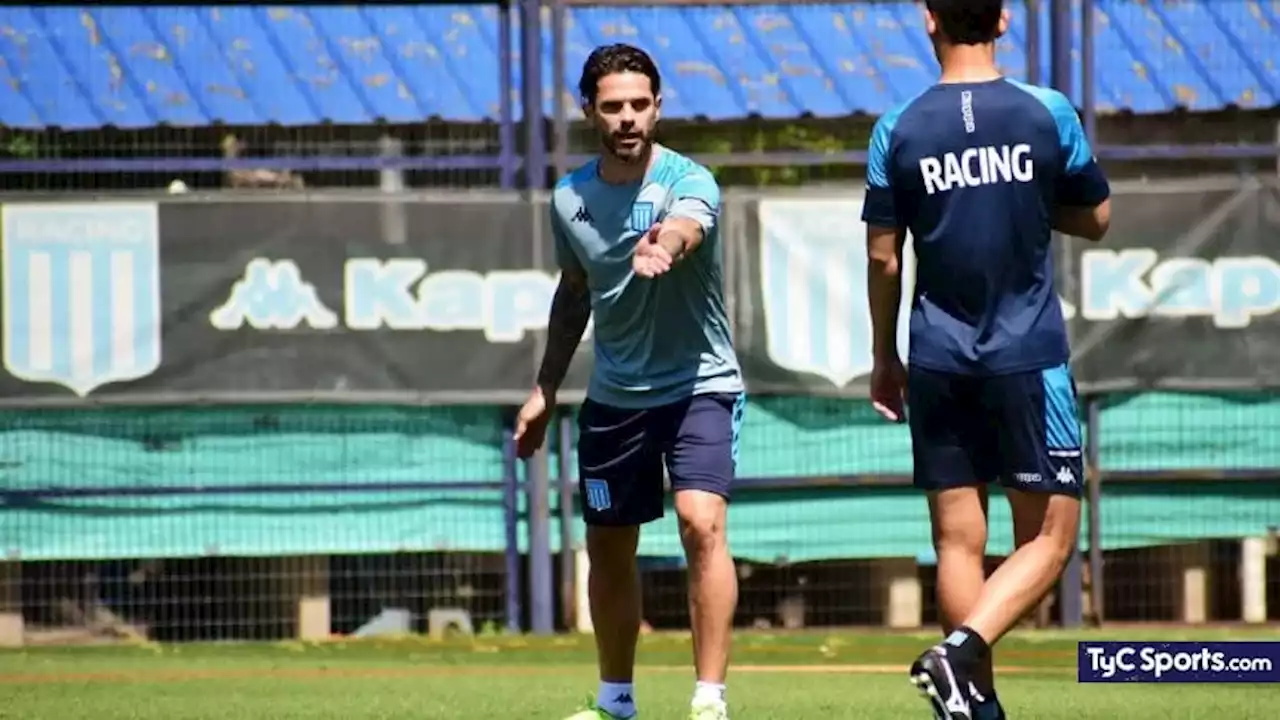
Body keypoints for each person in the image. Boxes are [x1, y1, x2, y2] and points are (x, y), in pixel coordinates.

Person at [860, 1, 1112, 718]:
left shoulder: (897, 127)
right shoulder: (1048, 112)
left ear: (928, 18)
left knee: (957, 543)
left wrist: (885, 354)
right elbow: (1096, 216)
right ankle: (960, 653)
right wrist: (1026, 199)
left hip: (936, 357)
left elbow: (883, 256)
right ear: (1003, 20)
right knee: (1053, 538)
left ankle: (974, 705)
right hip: (1027, 357)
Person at [513, 43, 745, 720]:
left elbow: (686, 227)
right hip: (615, 398)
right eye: (612, 106)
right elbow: (574, 291)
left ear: (658, 107)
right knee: (609, 544)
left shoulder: (690, 180)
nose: (627, 118)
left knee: (701, 522)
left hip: (700, 383)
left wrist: (663, 246)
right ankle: (617, 701)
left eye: (639, 105)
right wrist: (544, 387)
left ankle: (709, 698)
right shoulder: (569, 199)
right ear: (590, 111)